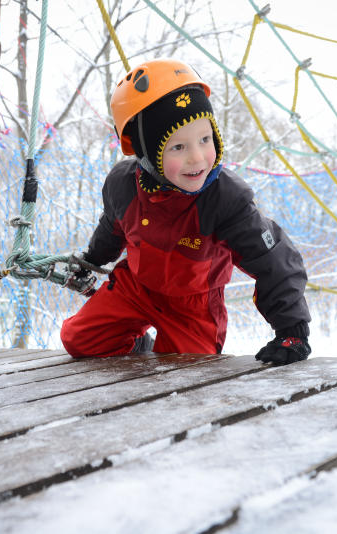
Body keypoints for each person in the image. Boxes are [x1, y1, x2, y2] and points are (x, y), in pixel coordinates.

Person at [60, 58, 311, 366]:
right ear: (147, 155)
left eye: (205, 140)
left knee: (187, 368)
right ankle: (136, 340)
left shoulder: (222, 198)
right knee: (78, 339)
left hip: (193, 304)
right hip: (135, 288)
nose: (197, 158)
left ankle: (162, 347)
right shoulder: (123, 186)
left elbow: (272, 257)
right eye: (177, 147)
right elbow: (112, 228)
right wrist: (93, 259)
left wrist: (292, 329)